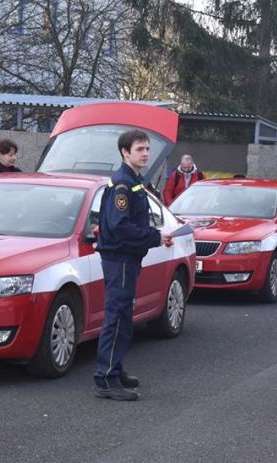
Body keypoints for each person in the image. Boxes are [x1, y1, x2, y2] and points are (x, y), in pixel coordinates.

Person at [93, 129, 172, 401]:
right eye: (140, 149)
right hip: (120, 259)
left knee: (124, 317)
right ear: (125, 152)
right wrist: (155, 236)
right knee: (116, 318)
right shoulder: (123, 184)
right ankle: (106, 378)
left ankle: (115, 369)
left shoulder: (132, 180)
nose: (146, 153)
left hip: (127, 258)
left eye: (147, 149)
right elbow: (119, 225)